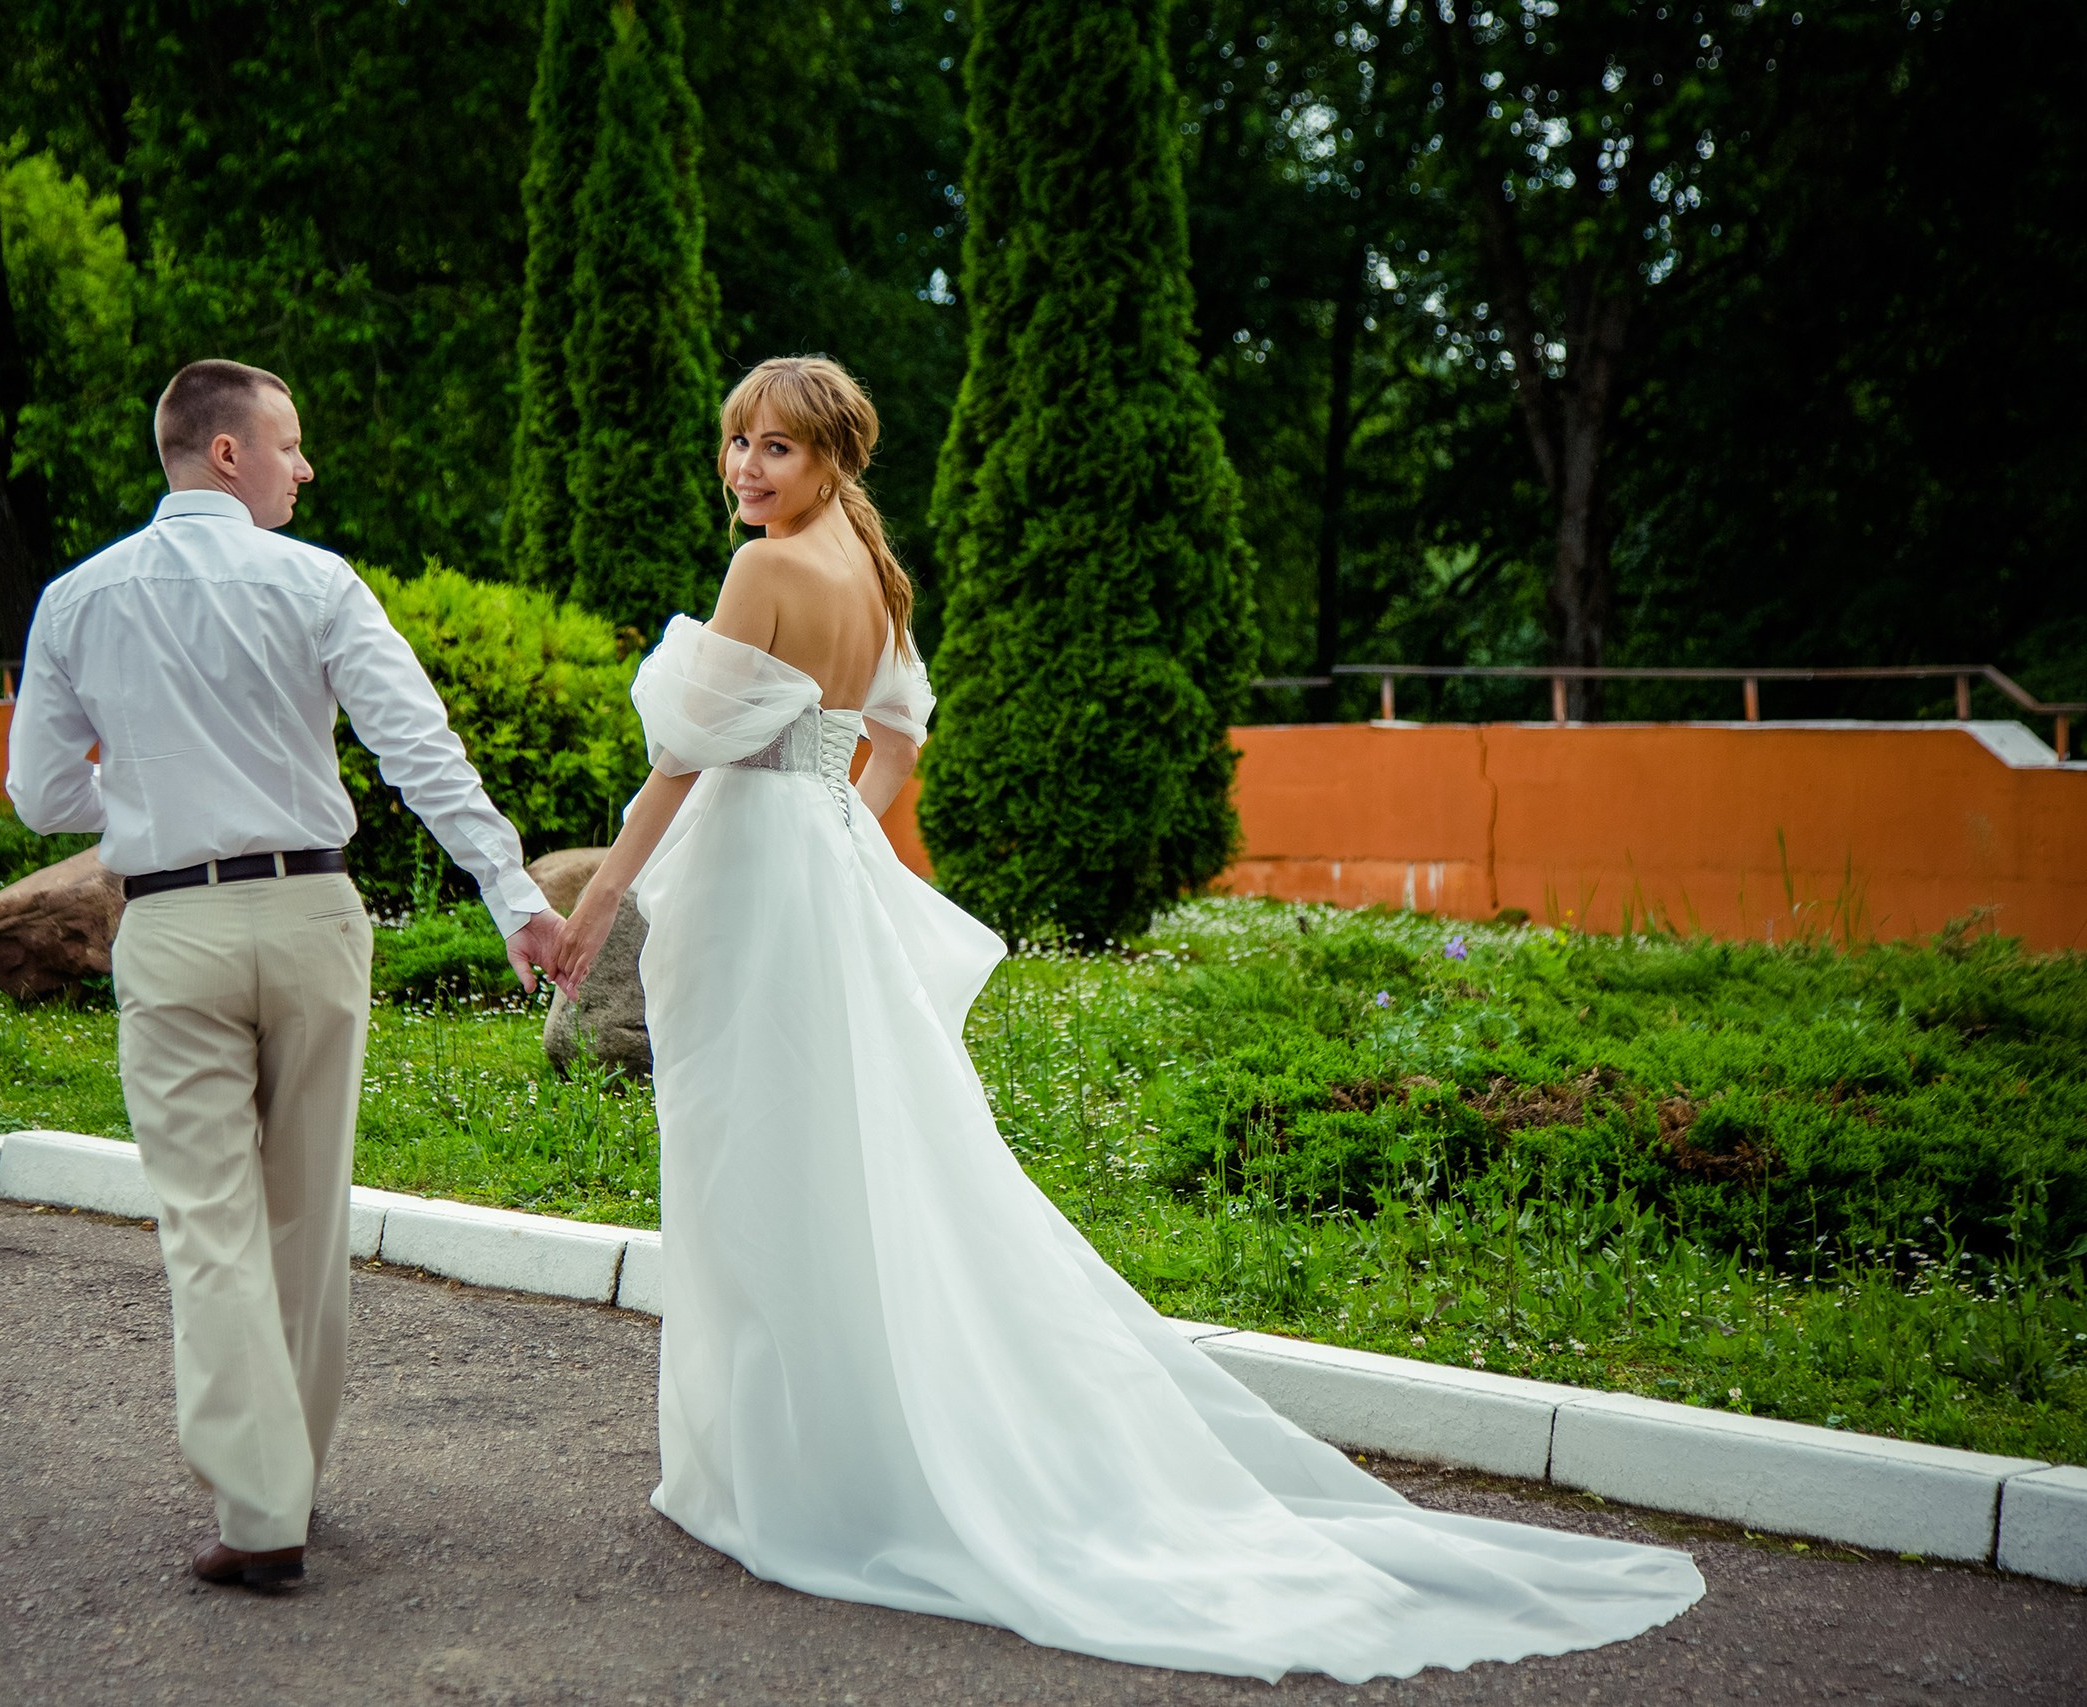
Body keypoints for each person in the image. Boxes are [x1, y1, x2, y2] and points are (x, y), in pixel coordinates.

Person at [550, 355, 1705, 1684]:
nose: (749, 467)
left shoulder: (764, 570)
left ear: (832, 462)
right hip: (814, 870)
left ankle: (785, 1472)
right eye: (739, 442)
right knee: (851, 1157)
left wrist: (604, 900)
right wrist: (837, 835)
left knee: (762, 1157)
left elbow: (683, 758)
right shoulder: (873, 570)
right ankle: (823, 1448)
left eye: (780, 450)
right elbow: (895, 737)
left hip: (766, 878)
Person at [7, 359, 562, 1592]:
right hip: (313, 914)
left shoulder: (77, 598)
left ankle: (262, 1512)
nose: (305, 467)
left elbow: (40, 795)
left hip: (171, 929)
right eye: (291, 444)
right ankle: (286, 1484)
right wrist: (513, 898)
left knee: (209, 1222)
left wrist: (139, 793)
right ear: (225, 453)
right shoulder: (317, 583)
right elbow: (419, 748)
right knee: (307, 1217)